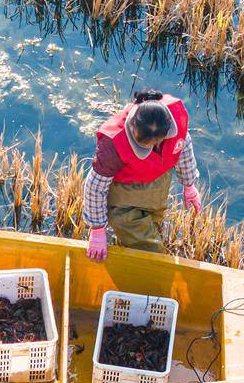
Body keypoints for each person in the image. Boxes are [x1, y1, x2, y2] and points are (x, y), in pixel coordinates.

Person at [84, 89, 202, 261]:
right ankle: (156, 275)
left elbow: (183, 146)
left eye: (157, 142)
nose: (153, 146)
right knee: (149, 249)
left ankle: (130, 254)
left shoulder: (173, 118)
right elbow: (94, 187)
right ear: (132, 126)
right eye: (145, 144)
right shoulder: (113, 143)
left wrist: (189, 185)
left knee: (153, 228)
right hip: (124, 196)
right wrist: (97, 230)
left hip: (157, 186)